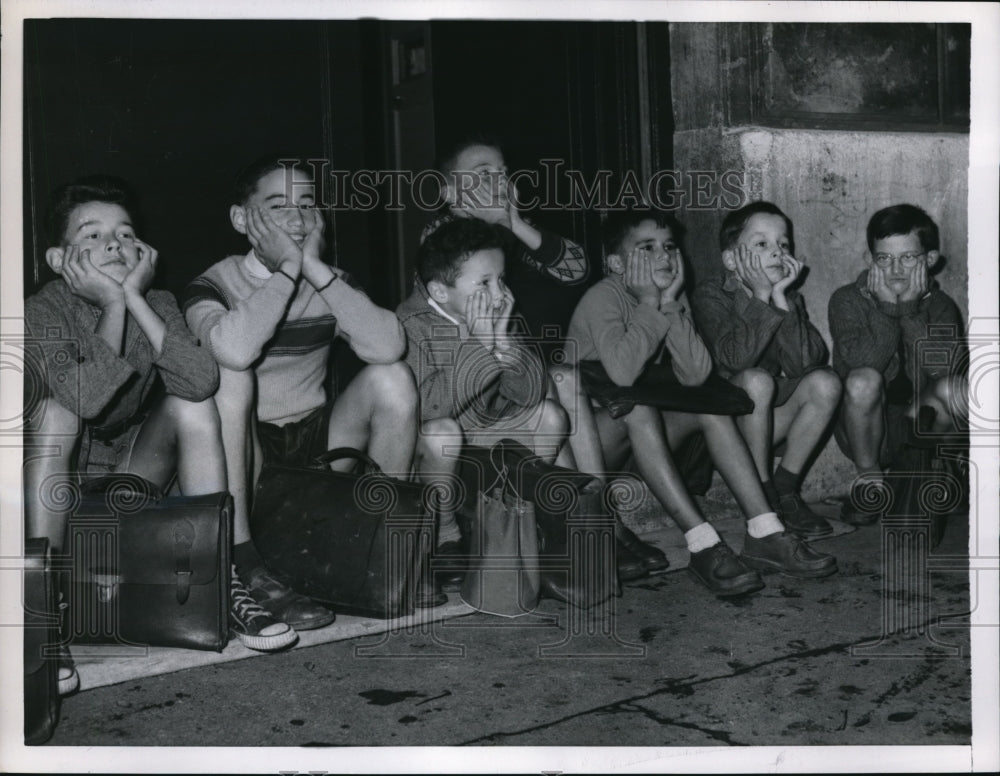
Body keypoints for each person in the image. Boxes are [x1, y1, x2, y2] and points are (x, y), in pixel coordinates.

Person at [23, 176, 296, 692]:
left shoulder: (160, 301)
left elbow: (202, 381)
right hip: (56, 498)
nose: (115, 244)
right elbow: (86, 400)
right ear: (60, 260)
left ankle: (222, 584)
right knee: (57, 414)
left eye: (126, 234)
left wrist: (136, 301)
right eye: (93, 235)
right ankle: (40, 613)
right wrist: (112, 307)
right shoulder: (44, 309)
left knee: (188, 404)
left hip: (125, 481)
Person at [183, 157, 421, 625]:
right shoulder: (211, 284)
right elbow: (232, 349)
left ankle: (380, 546)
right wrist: (288, 272)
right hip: (247, 456)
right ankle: (243, 560)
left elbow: (390, 345)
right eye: (278, 206)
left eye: (307, 204)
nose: (297, 218)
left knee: (392, 378)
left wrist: (313, 268)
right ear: (241, 220)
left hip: (314, 451)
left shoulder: (330, 280)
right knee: (232, 372)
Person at [568, 208, 837, 596]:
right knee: (639, 408)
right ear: (615, 263)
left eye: (669, 247)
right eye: (647, 248)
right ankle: (702, 542)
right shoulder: (603, 297)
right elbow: (622, 376)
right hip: (591, 448)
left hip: (644, 438)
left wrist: (671, 304)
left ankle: (764, 530)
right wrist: (650, 302)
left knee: (710, 405)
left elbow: (695, 375)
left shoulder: (670, 299)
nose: (663, 256)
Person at [397, 218, 572, 574]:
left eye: (501, 280)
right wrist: (478, 343)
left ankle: (519, 519)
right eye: (485, 283)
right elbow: (430, 408)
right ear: (441, 291)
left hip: (478, 437)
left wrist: (504, 339)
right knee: (440, 431)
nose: (499, 294)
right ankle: (445, 537)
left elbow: (529, 393)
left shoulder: (496, 314)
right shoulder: (410, 323)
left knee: (549, 415)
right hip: (427, 455)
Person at [691, 201, 843, 539]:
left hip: (766, 422)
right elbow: (734, 360)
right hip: (723, 432)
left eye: (783, 244)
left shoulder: (788, 296)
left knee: (826, 383)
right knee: (756, 379)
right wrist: (760, 296)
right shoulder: (710, 294)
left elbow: (807, 364)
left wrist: (779, 297)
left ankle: (784, 489)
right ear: (732, 260)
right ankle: (761, 495)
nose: (777, 252)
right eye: (762, 244)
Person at [828, 203, 968, 525]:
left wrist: (911, 311)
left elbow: (944, 370)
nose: (895, 270)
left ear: (930, 260)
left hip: (921, 425)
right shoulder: (847, 299)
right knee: (863, 379)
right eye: (884, 258)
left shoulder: (942, 306)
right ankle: (870, 484)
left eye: (908, 257)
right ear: (870, 260)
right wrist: (889, 310)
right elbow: (864, 363)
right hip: (865, 434)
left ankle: (942, 471)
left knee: (955, 388)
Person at [422, 136, 589, 348]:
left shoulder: (513, 227)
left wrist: (515, 222)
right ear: (451, 193)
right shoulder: (438, 235)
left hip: (535, 361)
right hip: (473, 359)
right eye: (484, 173)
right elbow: (485, 266)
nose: (501, 180)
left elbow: (578, 271)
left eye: (502, 172)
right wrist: (501, 222)